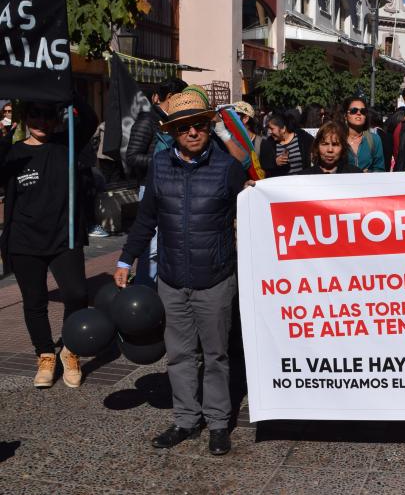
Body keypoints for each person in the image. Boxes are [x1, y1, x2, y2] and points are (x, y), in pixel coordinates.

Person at [113, 86, 248, 456]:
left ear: (208, 126)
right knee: (179, 355)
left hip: (215, 279)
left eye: (199, 124)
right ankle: (186, 420)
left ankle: (218, 423)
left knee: (216, 356)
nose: (192, 132)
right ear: (172, 131)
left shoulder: (226, 168)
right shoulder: (159, 165)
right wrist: (126, 259)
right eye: (184, 126)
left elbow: (253, 208)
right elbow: (146, 219)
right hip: (172, 279)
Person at [0, 96, 98, 389]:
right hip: (24, 239)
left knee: (77, 293)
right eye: (35, 114)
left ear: (56, 119)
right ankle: (44, 354)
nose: (41, 121)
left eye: (47, 115)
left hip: (64, 237)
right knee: (34, 301)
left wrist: (69, 92)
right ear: (25, 117)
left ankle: (70, 349)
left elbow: (90, 120)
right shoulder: (13, 152)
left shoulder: (66, 144)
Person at [126, 77, 187, 288]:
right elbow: (132, 157)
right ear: (170, 97)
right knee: (151, 247)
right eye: (182, 98)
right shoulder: (148, 119)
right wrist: (163, 161)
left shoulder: (174, 120)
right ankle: (145, 291)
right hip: (151, 187)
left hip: (172, 187)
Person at [259, 112, 312, 177]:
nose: (269, 132)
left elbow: (316, 146)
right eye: (268, 129)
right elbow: (264, 167)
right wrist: (275, 162)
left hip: (302, 181)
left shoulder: (302, 137)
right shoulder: (269, 143)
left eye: (272, 129)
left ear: (283, 129)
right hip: (281, 182)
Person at [343, 97, 384, 173]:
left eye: (363, 111)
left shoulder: (374, 139)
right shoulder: (338, 139)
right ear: (345, 116)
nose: (359, 113)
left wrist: (368, 174)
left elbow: (379, 169)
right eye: (354, 111)